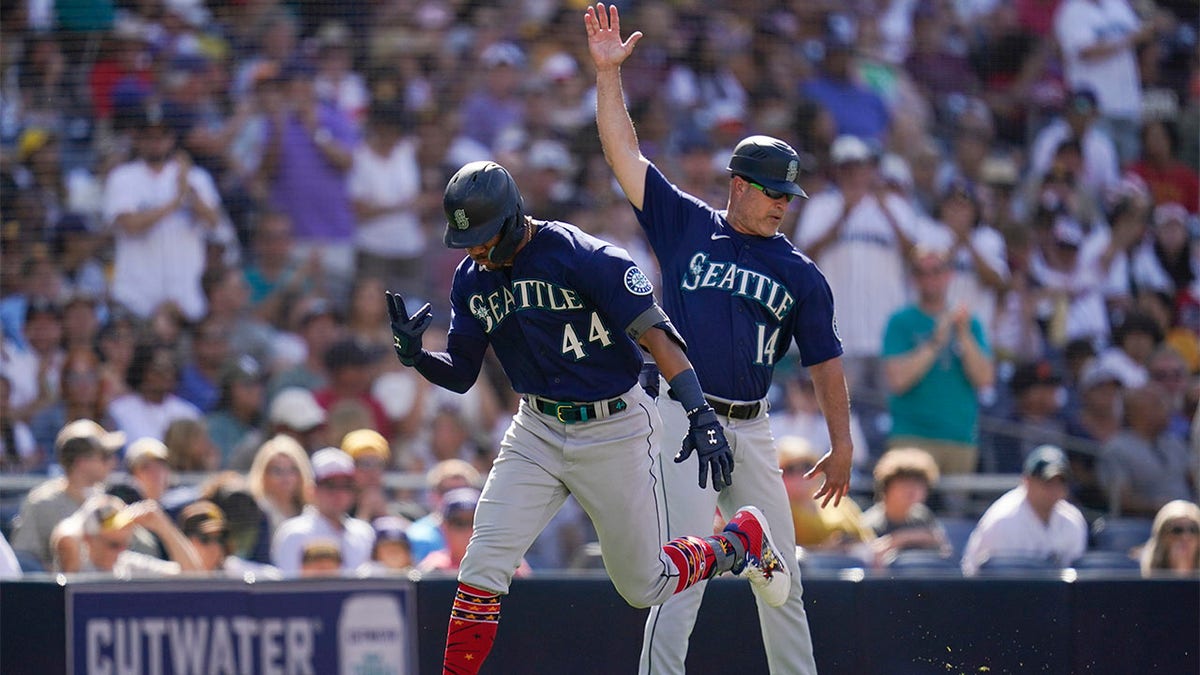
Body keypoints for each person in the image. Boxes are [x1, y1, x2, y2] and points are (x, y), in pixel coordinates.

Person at [385, 155, 787, 673]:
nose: (476, 250)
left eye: (484, 236)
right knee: (481, 566)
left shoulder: (584, 255)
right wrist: (418, 357)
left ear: (513, 218)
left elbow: (658, 339)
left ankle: (738, 544)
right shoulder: (472, 277)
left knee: (645, 586)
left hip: (614, 425)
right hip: (536, 429)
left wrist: (700, 413)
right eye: (467, 240)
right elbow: (462, 372)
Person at [587, 6, 853, 673]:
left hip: (752, 425)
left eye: (788, 196)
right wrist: (607, 76)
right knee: (681, 574)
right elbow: (624, 151)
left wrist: (842, 442)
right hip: (681, 415)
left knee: (782, 578)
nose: (781, 205)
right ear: (738, 185)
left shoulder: (799, 272)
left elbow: (826, 362)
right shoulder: (685, 224)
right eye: (771, 193)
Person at [101, 105, 225, 322]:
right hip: (135, 300)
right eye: (148, 136)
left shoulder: (195, 177)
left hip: (187, 299)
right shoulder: (123, 177)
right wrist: (175, 202)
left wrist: (190, 194)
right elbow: (129, 223)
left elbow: (215, 222)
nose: (155, 142)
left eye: (161, 135)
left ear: (171, 138)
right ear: (137, 139)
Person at [881, 246, 995, 475]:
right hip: (911, 437)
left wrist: (963, 335)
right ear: (913, 278)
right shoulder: (900, 321)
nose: (929, 278)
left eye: (936, 270)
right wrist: (935, 342)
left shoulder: (970, 324)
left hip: (960, 439)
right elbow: (897, 380)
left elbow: (984, 379)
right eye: (921, 272)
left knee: (957, 512)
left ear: (949, 274)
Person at [10, 420, 122, 569]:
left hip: (106, 588)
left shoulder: (108, 501)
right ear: (82, 462)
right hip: (63, 590)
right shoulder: (42, 503)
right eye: (105, 456)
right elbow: (24, 560)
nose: (112, 462)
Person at [960, 445, 1088, 576]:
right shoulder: (1002, 519)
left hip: (1054, 595)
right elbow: (974, 572)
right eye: (1047, 482)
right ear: (1027, 481)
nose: (1054, 490)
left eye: (1060, 482)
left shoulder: (1073, 520)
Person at [270, 447, 374, 576]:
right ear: (312, 490)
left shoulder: (364, 532)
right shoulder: (294, 533)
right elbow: (287, 589)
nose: (339, 493)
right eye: (330, 486)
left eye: (346, 486)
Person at [1098, 384, 1197, 517]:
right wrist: (1158, 507)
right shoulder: (1116, 449)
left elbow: (1193, 479)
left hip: (1188, 520)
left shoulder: (1174, 442)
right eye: (1158, 404)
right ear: (1138, 412)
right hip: (1144, 524)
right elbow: (1121, 500)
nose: (1167, 410)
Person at [51, 494, 203, 576]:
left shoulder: (128, 564)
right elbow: (65, 537)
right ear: (88, 539)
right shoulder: (77, 565)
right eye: (113, 545)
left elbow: (193, 576)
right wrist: (86, 521)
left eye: (126, 543)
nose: (121, 551)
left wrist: (164, 527)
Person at [861, 447, 952, 565]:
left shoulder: (922, 516)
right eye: (904, 484)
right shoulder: (870, 522)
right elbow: (869, 557)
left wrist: (901, 538)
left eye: (918, 485)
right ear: (887, 487)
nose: (912, 491)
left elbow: (943, 548)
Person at [417, 487, 531, 577]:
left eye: (474, 522)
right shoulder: (433, 568)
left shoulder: (506, 565)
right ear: (444, 527)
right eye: (459, 523)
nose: (469, 530)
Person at [178, 499, 281, 579]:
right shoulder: (171, 573)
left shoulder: (233, 570)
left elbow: (271, 577)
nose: (215, 546)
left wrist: (248, 583)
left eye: (220, 538)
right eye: (205, 539)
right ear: (186, 541)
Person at [1140, 499, 1200, 577]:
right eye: (1177, 530)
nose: (1185, 537)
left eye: (1193, 530)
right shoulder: (1146, 581)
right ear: (1162, 537)